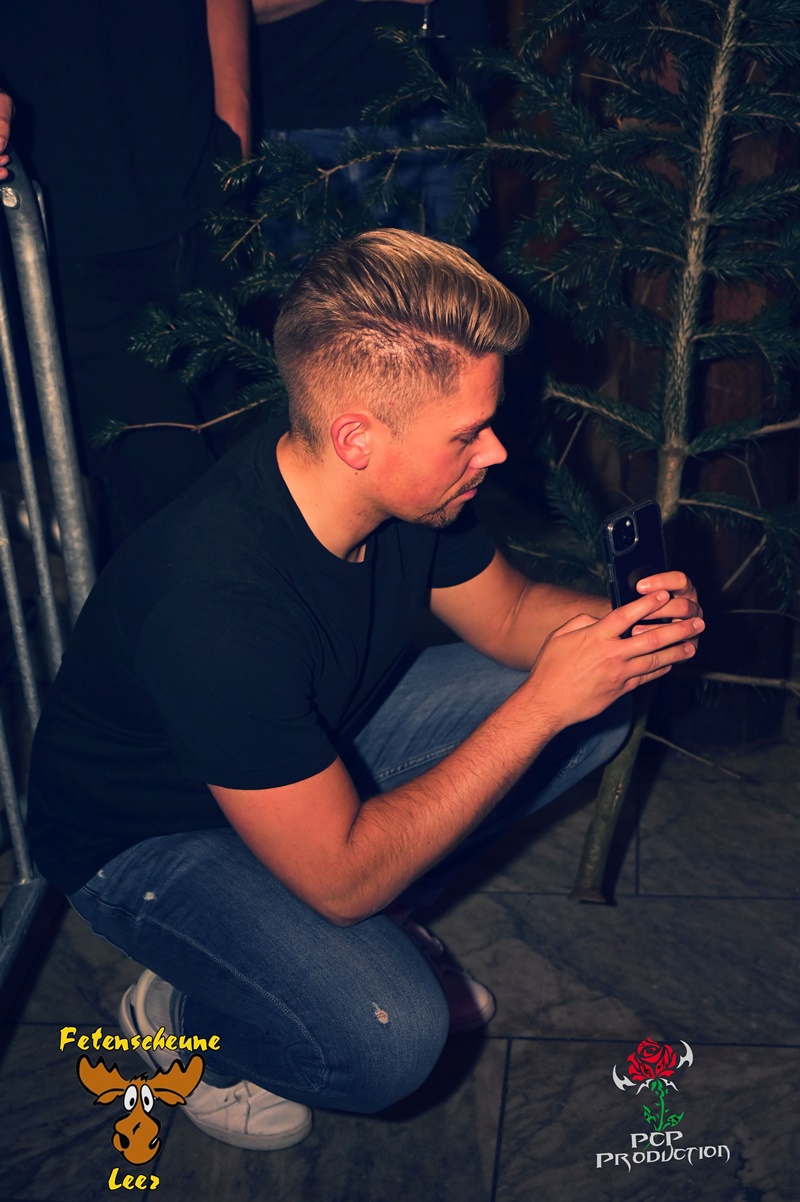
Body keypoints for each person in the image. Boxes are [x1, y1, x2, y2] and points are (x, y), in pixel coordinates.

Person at [27, 229, 704, 1151]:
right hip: (145, 839)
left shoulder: (405, 491)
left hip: (305, 761)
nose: (495, 451)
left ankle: (313, 939)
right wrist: (544, 701)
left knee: (597, 701)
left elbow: (511, 616)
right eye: (466, 434)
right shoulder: (216, 606)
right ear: (357, 437)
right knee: (390, 1038)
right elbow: (344, 879)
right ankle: (188, 1013)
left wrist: (625, 626)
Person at [0, 0, 250, 556]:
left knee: (227, 463)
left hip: (202, 193)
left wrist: (233, 136)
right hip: (67, 228)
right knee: (176, 498)